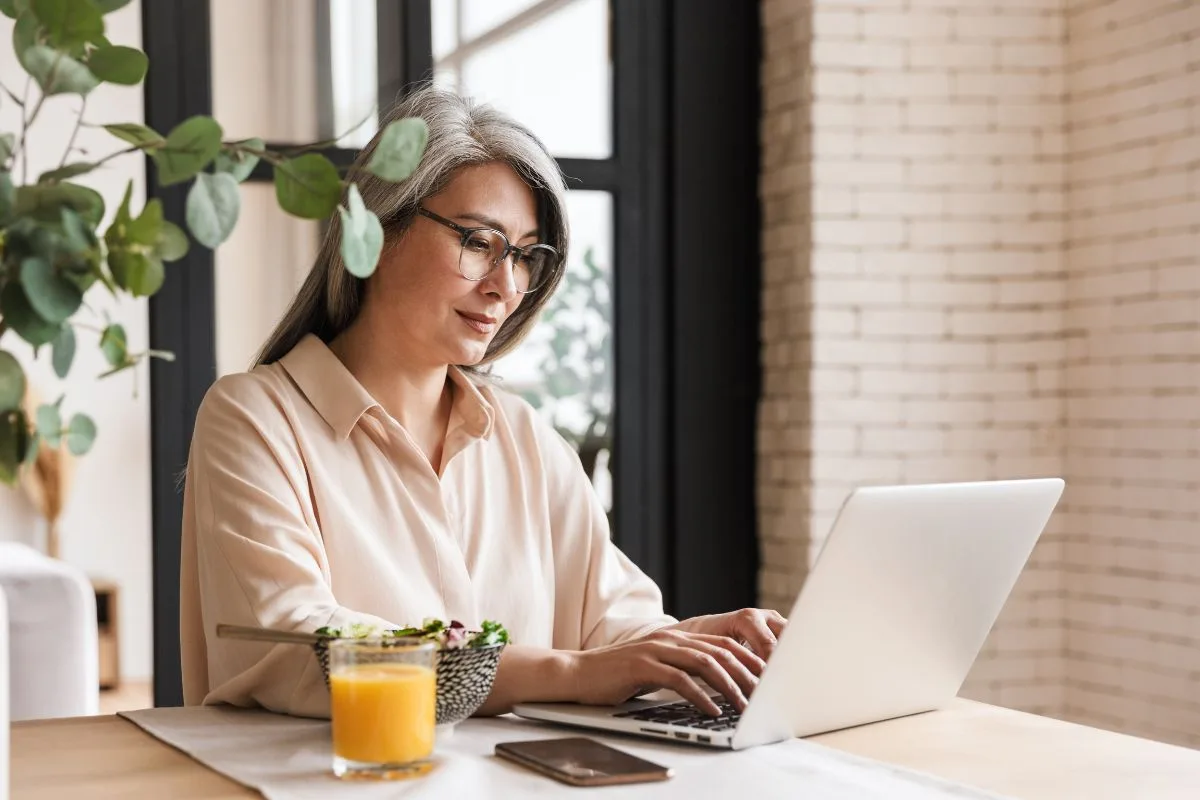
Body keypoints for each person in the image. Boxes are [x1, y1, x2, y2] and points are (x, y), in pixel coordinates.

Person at [179, 85, 785, 720]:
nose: (505, 285)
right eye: (477, 241)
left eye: (525, 255)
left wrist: (695, 646)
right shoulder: (253, 418)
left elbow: (609, 627)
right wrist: (567, 671)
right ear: (379, 227)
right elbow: (298, 646)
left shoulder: (525, 437)